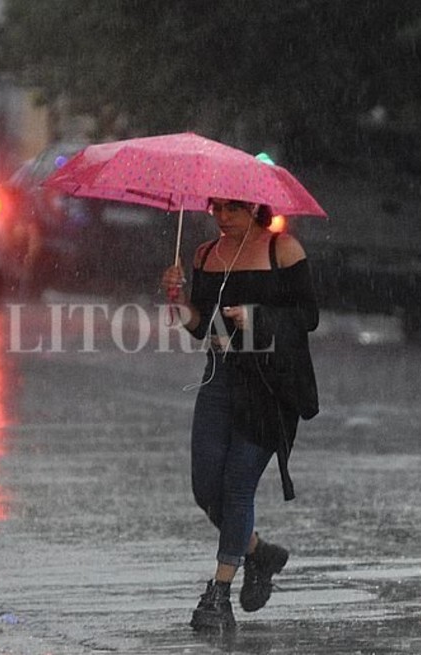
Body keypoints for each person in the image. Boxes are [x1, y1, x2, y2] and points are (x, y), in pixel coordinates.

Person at [160, 198, 320, 632]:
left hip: (268, 385)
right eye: (216, 208)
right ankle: (258, 552)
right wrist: (177, 300)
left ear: (253, 207)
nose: (222, 218)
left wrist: (256, 319)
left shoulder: (282, 249)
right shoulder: (205, 254)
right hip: (219, 379)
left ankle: (218, 592)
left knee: (236, 486)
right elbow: (201, 326)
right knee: (206, 488)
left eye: (232, 209)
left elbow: (308, 317)